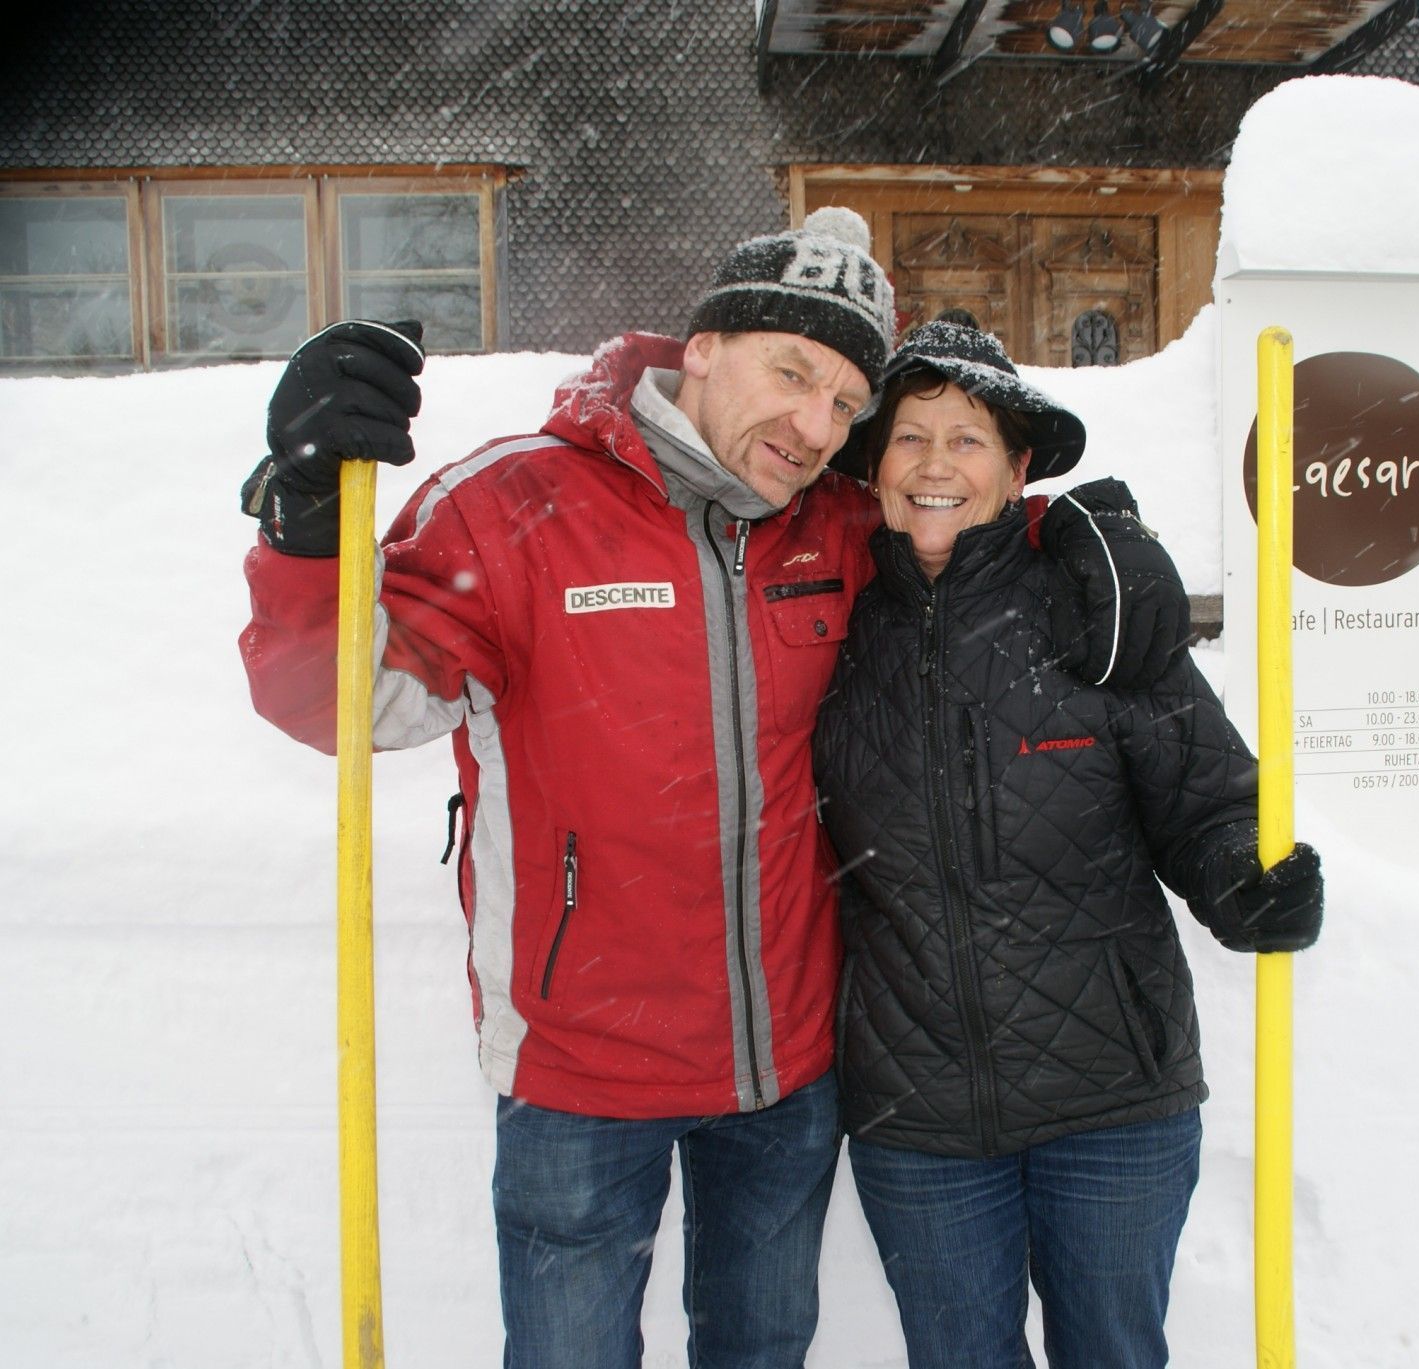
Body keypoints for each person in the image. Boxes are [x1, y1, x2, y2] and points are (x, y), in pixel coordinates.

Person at [236, 209, 1191, 1369]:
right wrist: (305, 522)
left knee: (760, 1348)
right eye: (791, 374)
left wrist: (1087, 534)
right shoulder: (515, 506)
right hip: (580, 1063)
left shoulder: (833, 524)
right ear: (700, 347)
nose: (814, 426)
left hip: (783, 1069)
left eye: (845, 403)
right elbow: (341, 703)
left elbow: (955, 521)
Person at [811, 322, 1325, 1369]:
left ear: (1017, 470)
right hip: (919, 1110)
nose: (936, 464)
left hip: (1112, 1100)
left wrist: (1246, 876)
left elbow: (1207, 803)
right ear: (873, 467)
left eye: (968, 439)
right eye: (910, 438)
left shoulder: (1096, 612)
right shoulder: (832, 629)